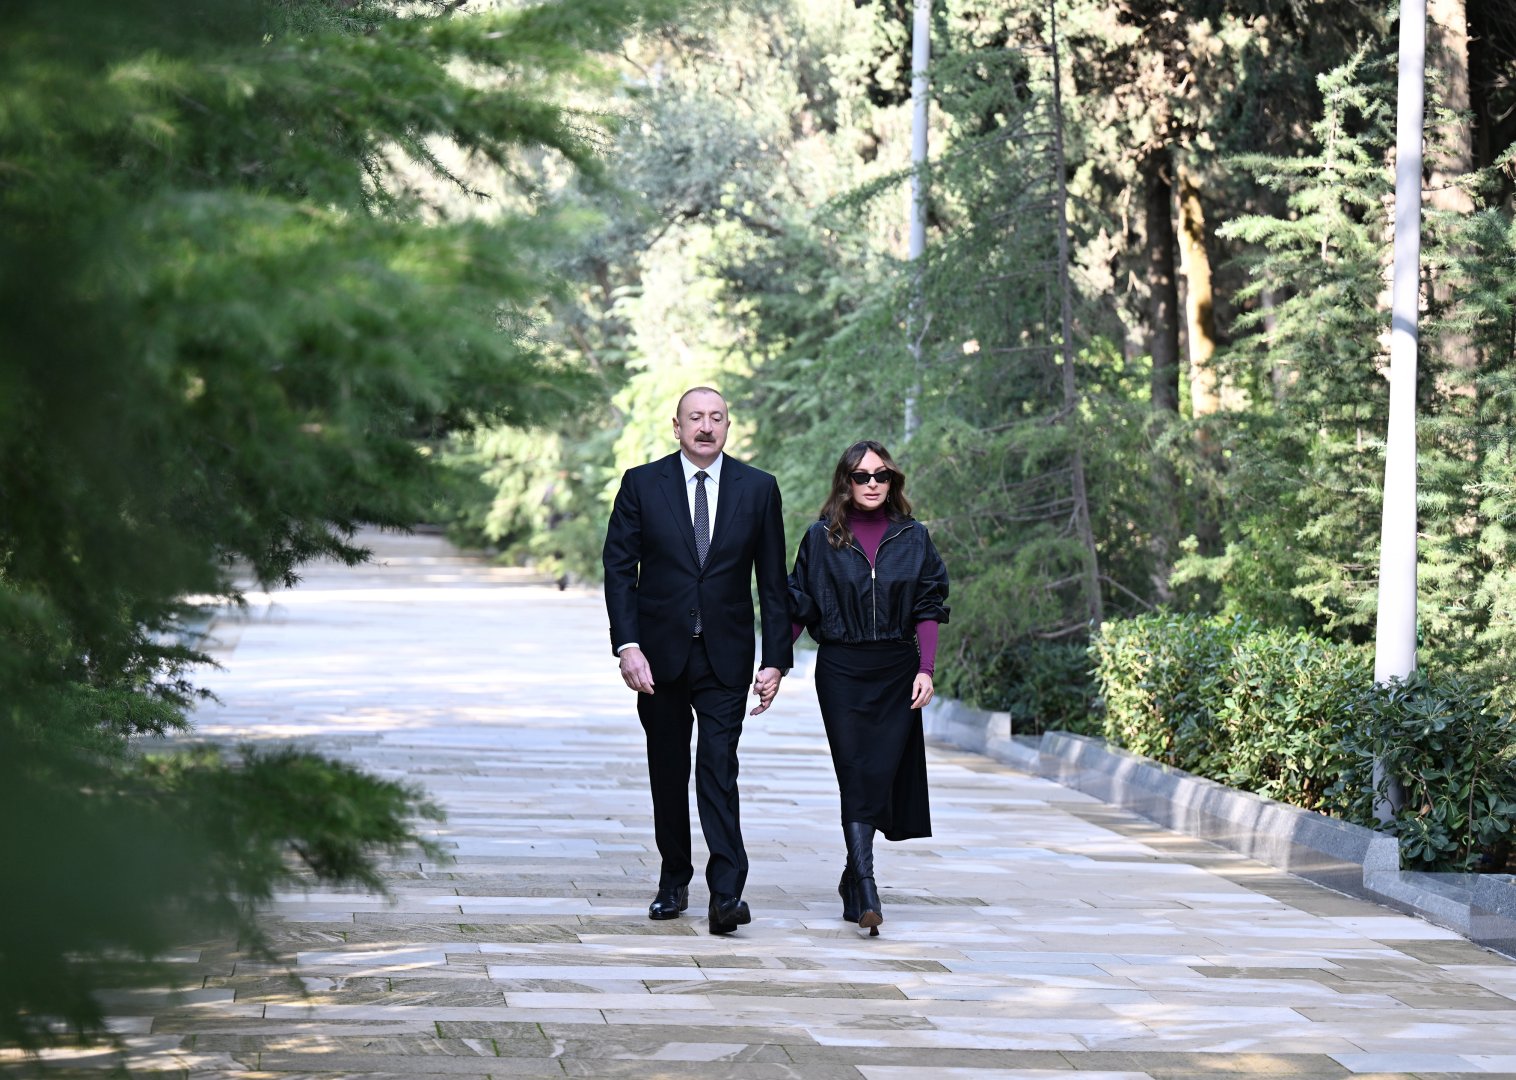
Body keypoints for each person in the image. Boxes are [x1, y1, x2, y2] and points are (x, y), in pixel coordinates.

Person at [602, 386, 793, 935]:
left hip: (725, 657)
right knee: (667, 769)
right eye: (695, 419)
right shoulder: (643, 483)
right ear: (676, 426)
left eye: (716, 418)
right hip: (657, 658)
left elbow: (772, 583)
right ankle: (673, 876)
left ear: (729, 425)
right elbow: (619, 569)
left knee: (718, 766)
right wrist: (627, 645)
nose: (705, 427)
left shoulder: (758, 489)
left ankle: (726, 891)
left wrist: (776, 658)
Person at [787, 440, 949, 936]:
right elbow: (799, 604)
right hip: (841, 669)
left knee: (878, 775)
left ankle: (850, 879)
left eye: (881, 475)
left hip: (897, 671)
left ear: (893, 481)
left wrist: (927, 669)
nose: (872, 484)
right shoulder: (821, 538)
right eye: (862, 476)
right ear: (845, 482)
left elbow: (929, 604)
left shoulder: (914, 537)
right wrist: (774, 663)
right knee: (854, 772)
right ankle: (867, 883)